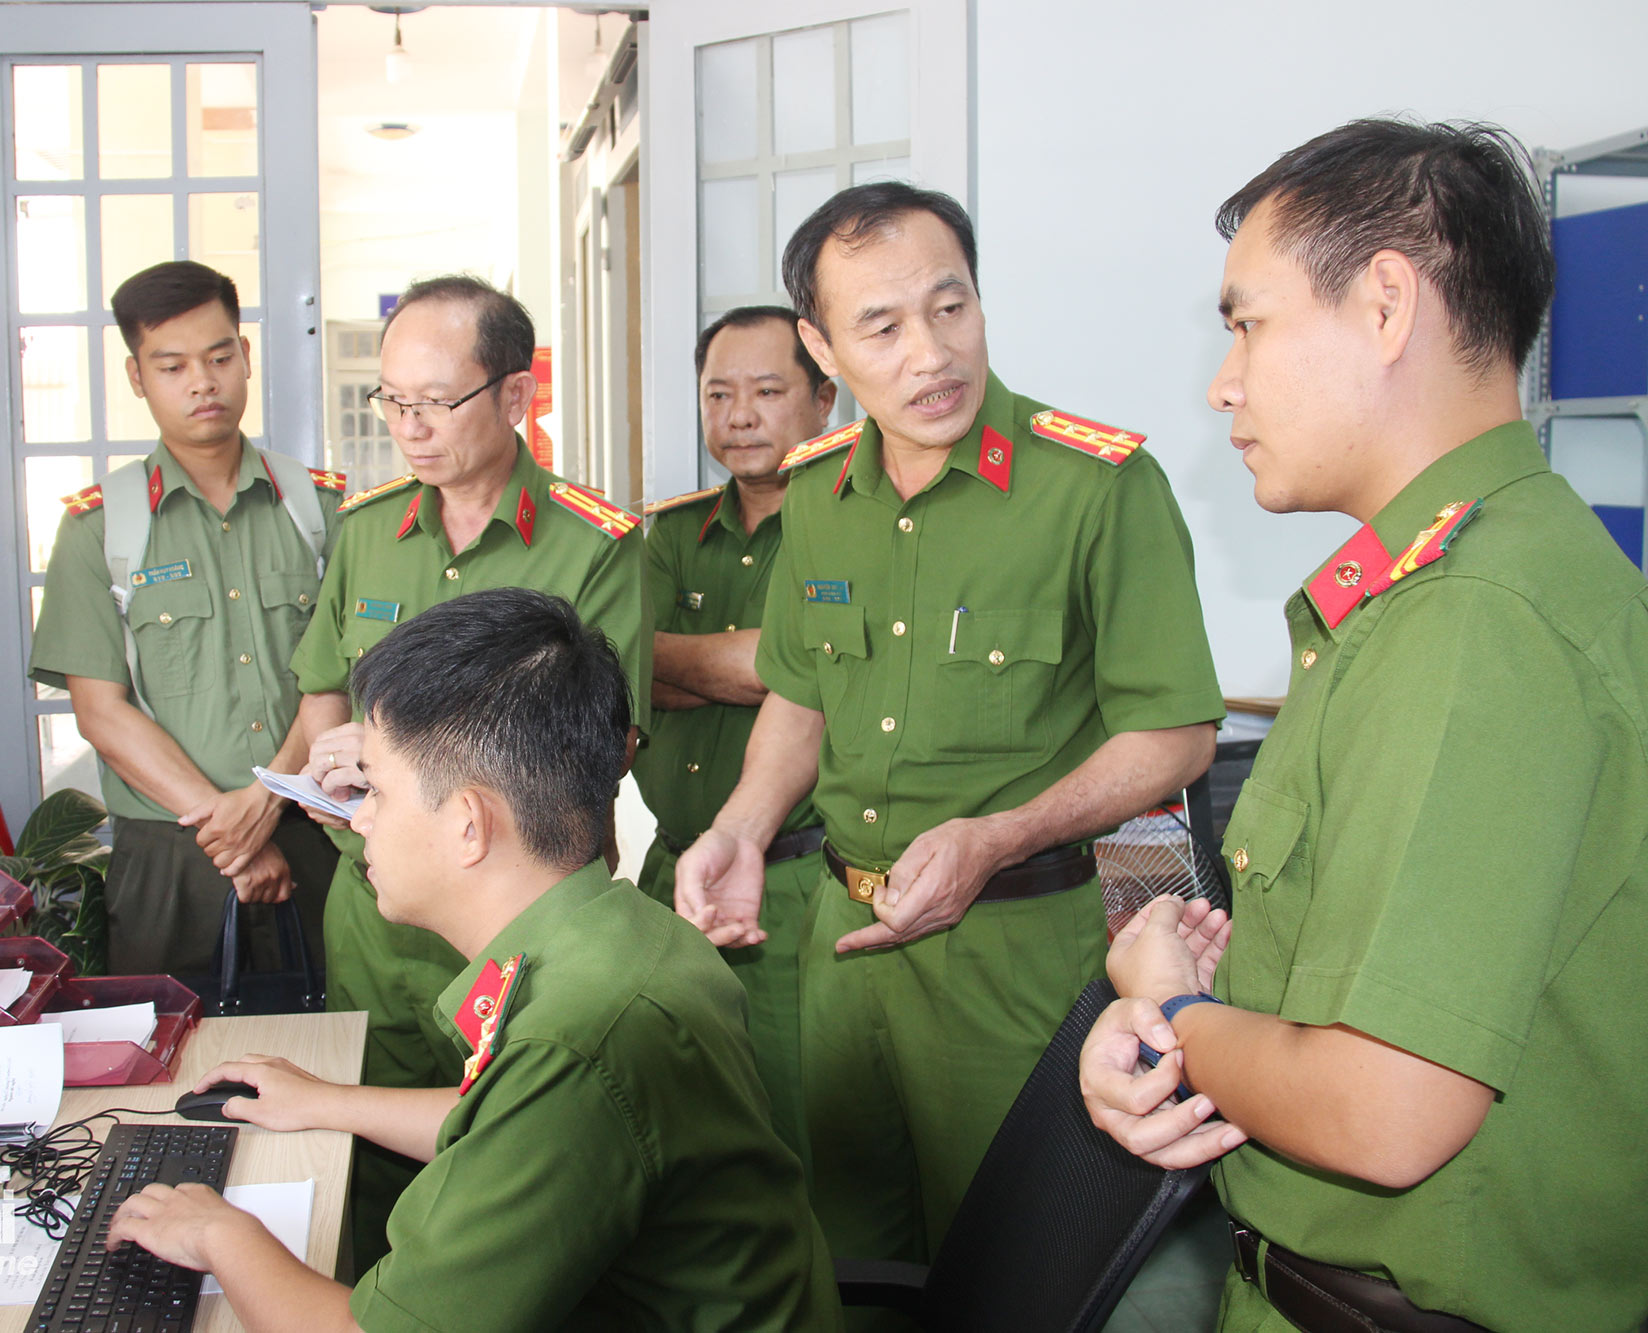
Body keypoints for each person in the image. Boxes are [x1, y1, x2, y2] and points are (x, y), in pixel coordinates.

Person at [1080, 118, 1648, 1333]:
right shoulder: (1439, 592)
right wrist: (1203, 983)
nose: (1221, 381)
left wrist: (1173, 1015)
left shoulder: (1471, 623)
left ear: (1385, 305)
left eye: (1246, 323)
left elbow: (1384, 1109)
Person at [673, 181, 1224, 1270]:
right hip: (842, 948)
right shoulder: (819, 495)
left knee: (1010, 1261)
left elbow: (1174, 737)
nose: (930, 353)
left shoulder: (1095, 489)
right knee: (845, 1249)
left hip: (1019, 952)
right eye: (880, 327)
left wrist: (996, 836)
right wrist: (740, 825)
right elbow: (800, 690)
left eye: (949, 306)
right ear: (820, 349)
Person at [109, 589, 842, 1332]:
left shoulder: (575, 1039)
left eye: (378, 792)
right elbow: (516, 1124)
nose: (360, 819)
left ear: (468, 824)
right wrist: (328, 1101)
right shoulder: (621, 932)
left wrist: (216, 1230)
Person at [288, 275, 651, 1272]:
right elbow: (323, 693)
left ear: (514, 395)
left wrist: (398, 754)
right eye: (391, 401)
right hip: (373, 913)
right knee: (371, 1177)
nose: (409, 427)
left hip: (514, 927)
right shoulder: (366, 532)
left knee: (526, 1192)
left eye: (434, 402)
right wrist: (334, 770)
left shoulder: (594, 544)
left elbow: (599, 746)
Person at [29, 260, 342, 977]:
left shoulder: (320, 512)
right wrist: (229, 828)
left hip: (316, 832)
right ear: (138, 377)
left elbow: (343, 673)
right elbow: (101, 713)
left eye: (220, 357)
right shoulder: (98, 531)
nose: (203, 382)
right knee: (170, 1076)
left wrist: (266, 802)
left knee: (336, 1051)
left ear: (246, 357)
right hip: (171, 858)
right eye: (172, 366)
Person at [635, 306, 837, 1161]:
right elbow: (619, 666)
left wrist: (690, 664)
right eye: (719, 393)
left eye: (766, 390)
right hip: (665, 871)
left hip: (795, 879)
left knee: (792, 1128)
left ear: (826, 397)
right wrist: (749, 665)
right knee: (668, 1116)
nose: (739, 414)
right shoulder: (673, 530)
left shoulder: (852, 521)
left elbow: (798, 671)